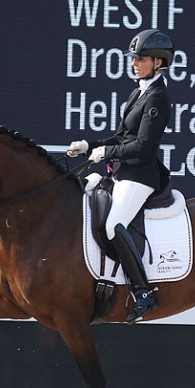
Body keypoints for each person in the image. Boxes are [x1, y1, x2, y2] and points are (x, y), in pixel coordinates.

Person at [67, 28, 174, 324]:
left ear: (159, 63)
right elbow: (122, 136)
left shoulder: (158, 98)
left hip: (140, 176)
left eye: (141, 58)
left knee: (115, 225)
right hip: (123, 172)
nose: (134, 62)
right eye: (134, 58)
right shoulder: (138, 91)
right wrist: (91, 145)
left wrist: (108, 154)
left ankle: (143, 292)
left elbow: (141, 147)